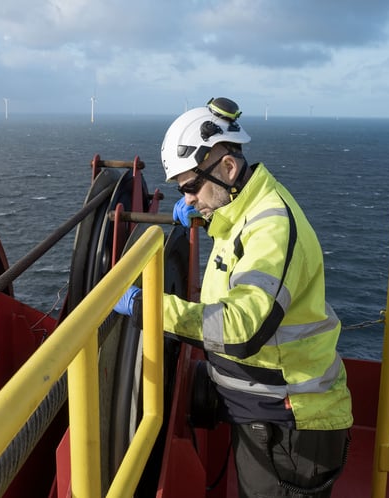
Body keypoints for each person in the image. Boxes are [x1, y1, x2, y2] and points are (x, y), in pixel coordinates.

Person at [115, 97, 352, 497]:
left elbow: (240, 329)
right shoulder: (243, 209)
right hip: (270, 416)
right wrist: (209, 217)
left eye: (191, 187)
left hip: (291, 428)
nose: (187, 198)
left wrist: (148, 307)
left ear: (227, 168)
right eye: (183, 190)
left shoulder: (271, 227)